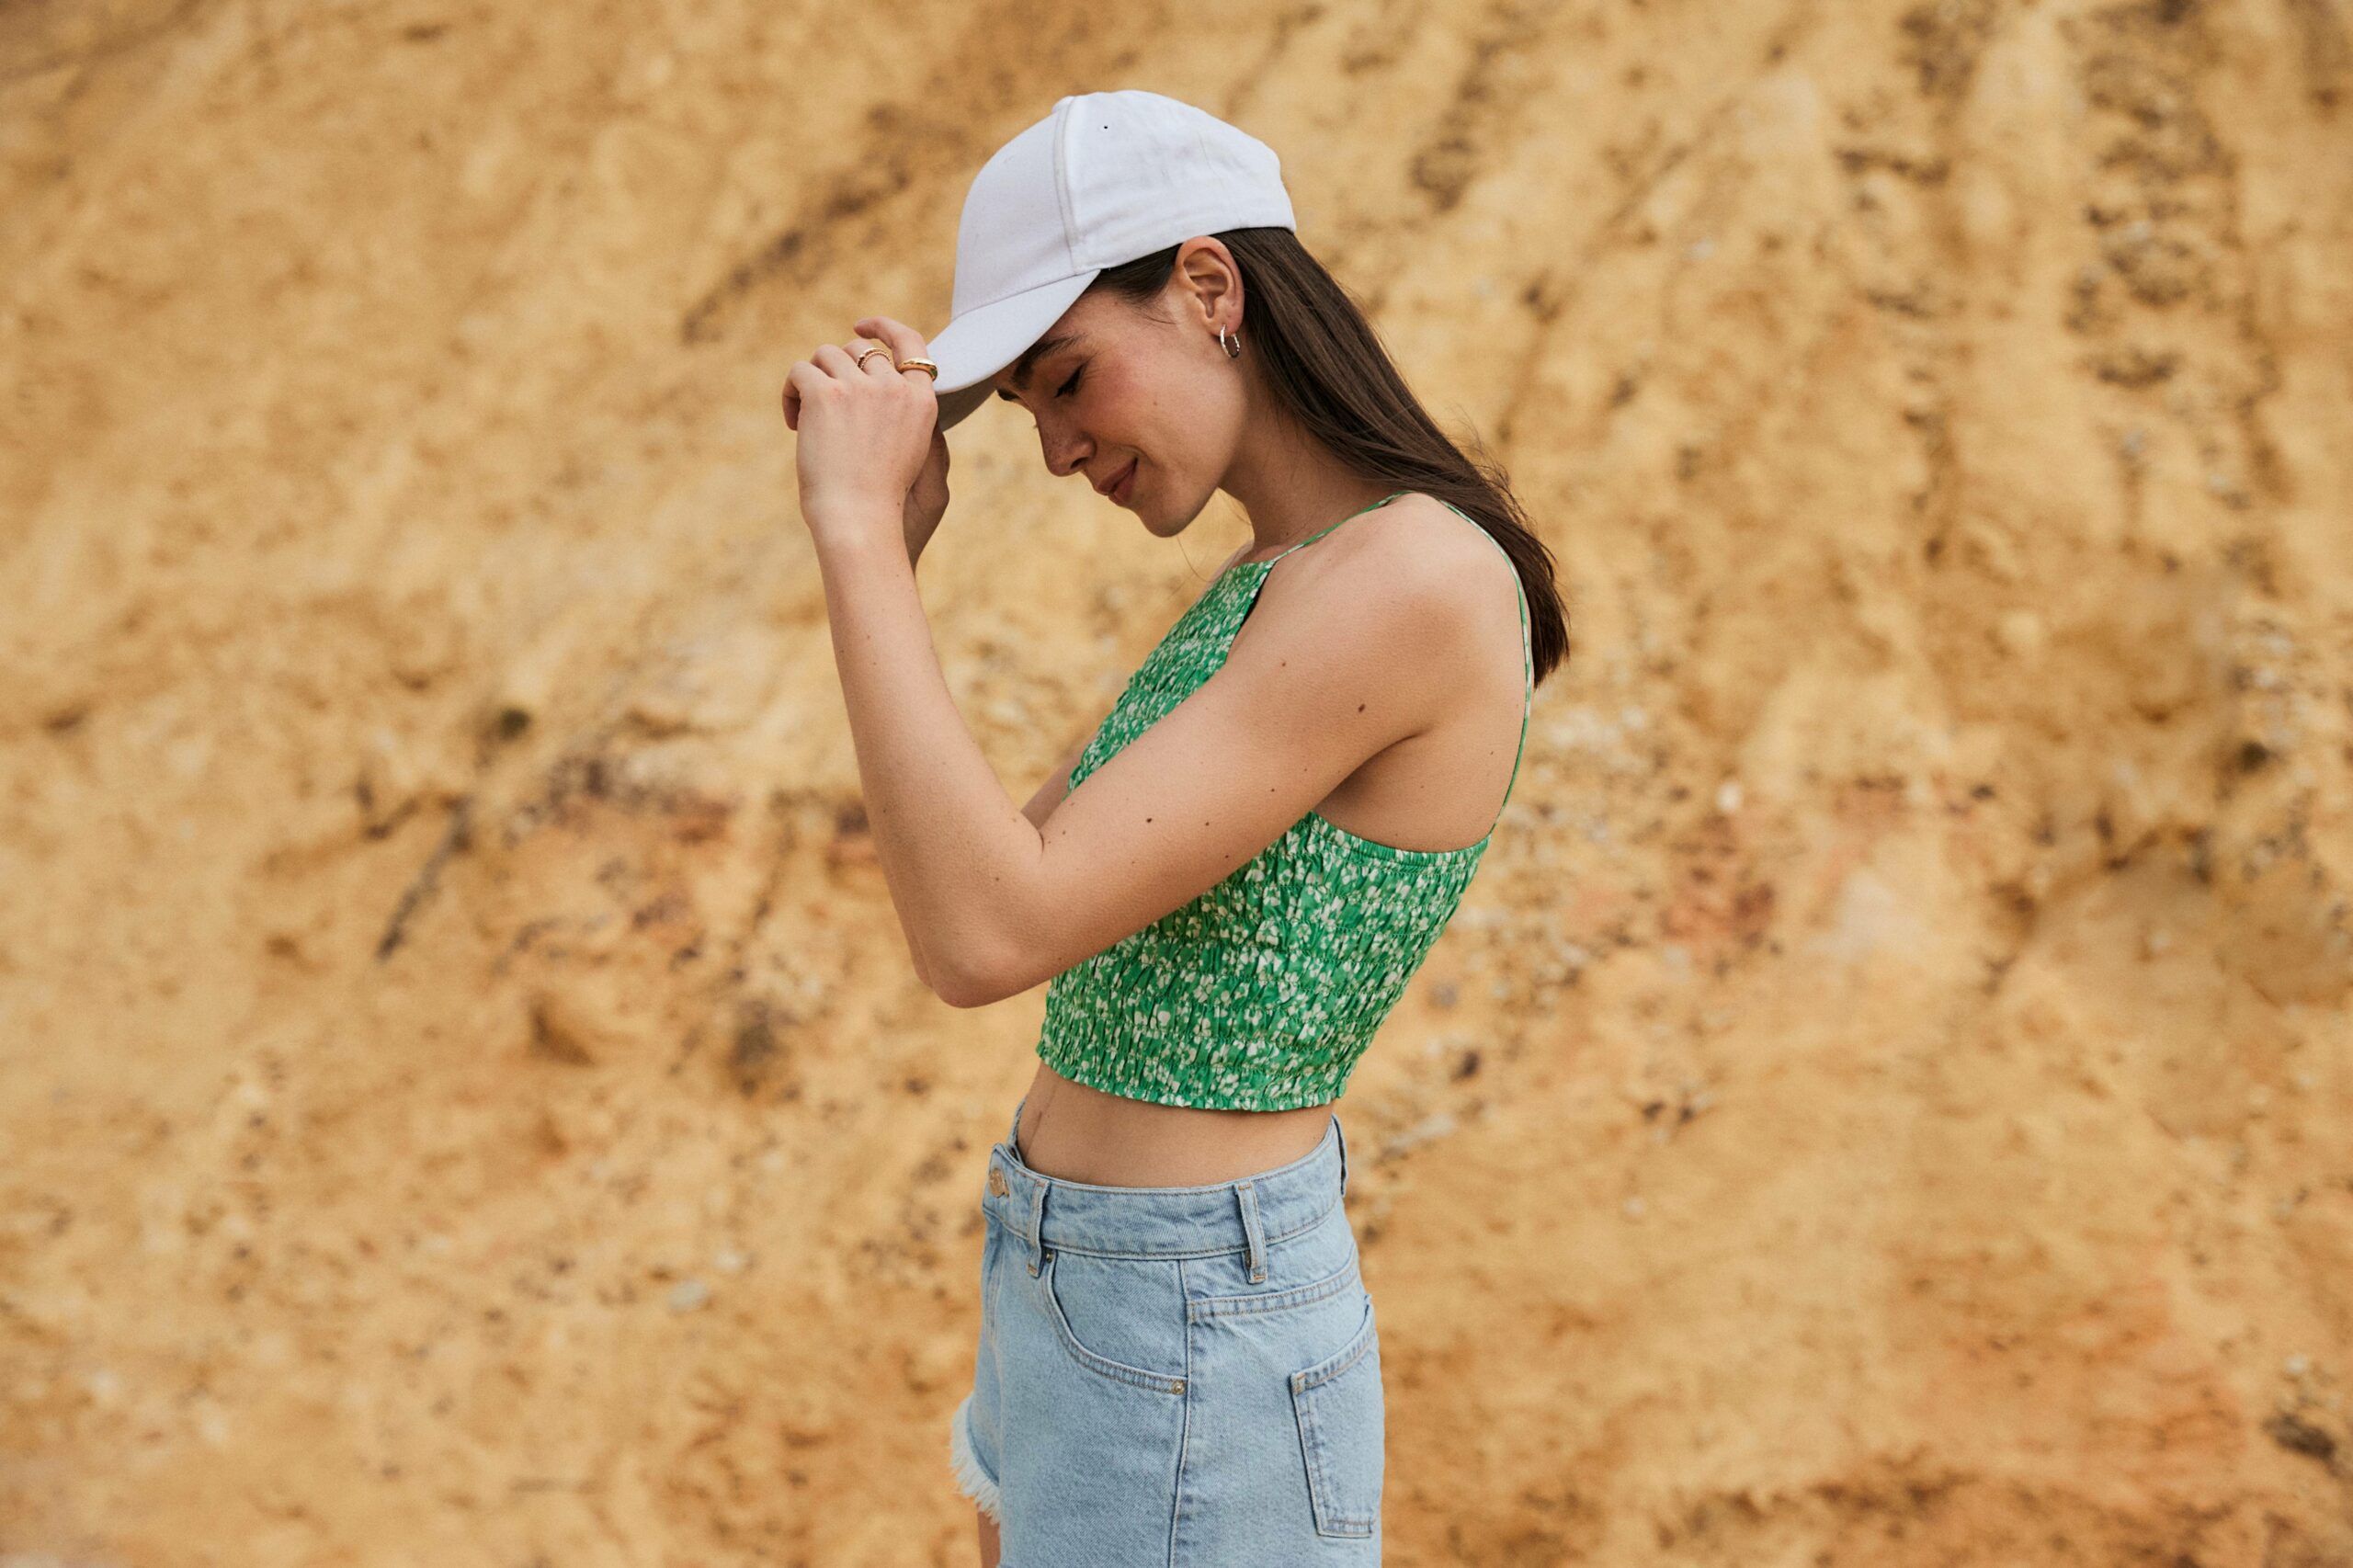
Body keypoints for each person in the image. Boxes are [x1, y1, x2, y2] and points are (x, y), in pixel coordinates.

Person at [781, 89, 1566, 1568]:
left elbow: (984, 934)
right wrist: (886, 550)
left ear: (1210, 287)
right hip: (1101, 1288)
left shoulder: (1413, 578)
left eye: (1069, 378)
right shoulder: (1280, 580)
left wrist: (858, 540)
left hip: (1190, 1313)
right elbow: (985, 876)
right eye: (1030, 409)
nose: (1058, 448)